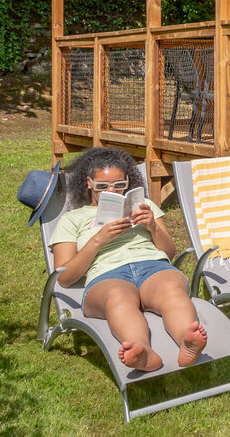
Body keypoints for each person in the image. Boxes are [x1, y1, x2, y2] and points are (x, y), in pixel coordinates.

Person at [48, 146, 207, 371]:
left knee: (172, 290)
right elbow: (64, 277)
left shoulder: (145, 207)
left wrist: (152, 226)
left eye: (119, 185)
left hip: (152, 266)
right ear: (88, 183)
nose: (111, 191)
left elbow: (169, 253)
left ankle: (188, 341)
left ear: (128, 182)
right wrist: (98, 240)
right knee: (118, 297)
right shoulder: (73, 219)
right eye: (102, 186)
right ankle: (142, 351)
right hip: (107, 275)